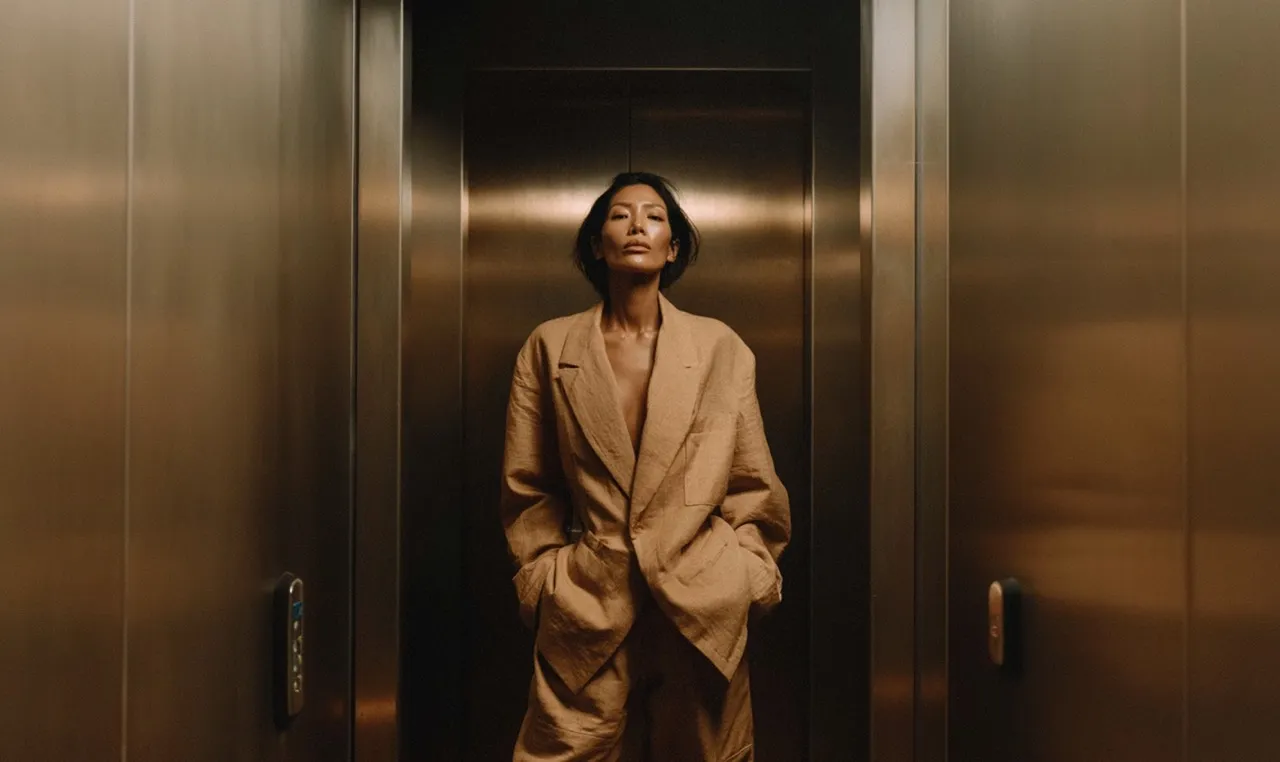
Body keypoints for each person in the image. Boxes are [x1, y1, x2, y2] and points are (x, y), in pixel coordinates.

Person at [501, 171, 791, 761]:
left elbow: (752, 486)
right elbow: (527, 485)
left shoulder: (719, 348)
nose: (637, 225)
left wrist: (745, 576)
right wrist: (546, 579)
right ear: (595, 242)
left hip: (702, 604)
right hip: (588, 600)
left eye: (654, 216)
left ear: (673, 245)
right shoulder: (550, 347)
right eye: (619, 214)